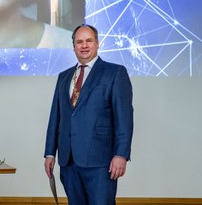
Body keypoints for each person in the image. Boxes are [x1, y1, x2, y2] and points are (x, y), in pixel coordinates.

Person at [44, 24, 134, 204]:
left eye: (88, 41)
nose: (84, 45)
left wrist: (121, 155)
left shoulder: (115, 73)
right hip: (68, 161)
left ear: (97, 44)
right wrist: (50, 153)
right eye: (79, 42)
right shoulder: (64, 76)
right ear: (74, 46)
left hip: (101, 162)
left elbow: (124, 118)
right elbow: (56, 117)